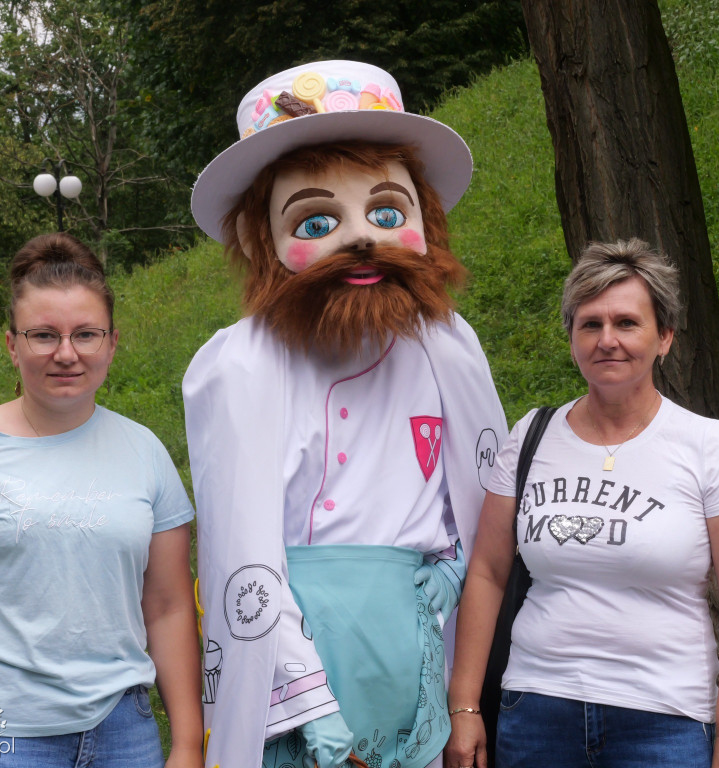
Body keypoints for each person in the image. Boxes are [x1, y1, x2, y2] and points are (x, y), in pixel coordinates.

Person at [183, 60, 508, 768]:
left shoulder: (446, 345)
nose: (360, 239)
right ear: (263, 241)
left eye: (387, 213)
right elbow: (241, 551)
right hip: (295, 655)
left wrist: (451, 575)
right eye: (318, 220)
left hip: (417, 642)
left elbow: (482, 490)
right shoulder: (239, 364)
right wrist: (310, 702)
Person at [0, 233, 203, 768]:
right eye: (43, 335)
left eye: (85, 335)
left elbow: (167, 606)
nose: (66, 353)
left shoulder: (146, 452)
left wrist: (187, 743)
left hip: (120, 735)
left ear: (112, 343)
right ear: (12, 345)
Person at [445, 238, 719, 768]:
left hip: (664, 722)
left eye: (627, 323)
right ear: (572, 338)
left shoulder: (707, 446)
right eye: (590, 324)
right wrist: (464, 706)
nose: (607, 340)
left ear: (663, 337)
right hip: (536, 712)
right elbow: (486, 572)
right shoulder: (532, 435)